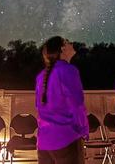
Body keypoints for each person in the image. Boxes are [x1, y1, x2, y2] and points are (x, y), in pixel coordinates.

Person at [35, 36, 88, 164]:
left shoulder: (41, 76)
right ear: (62, 48)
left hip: (44, 142)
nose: (71, 43)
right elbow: (77, 105)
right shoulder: (68, 71)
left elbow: (39, 107)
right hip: (65, 139)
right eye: (68, 42)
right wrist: (83, 130)